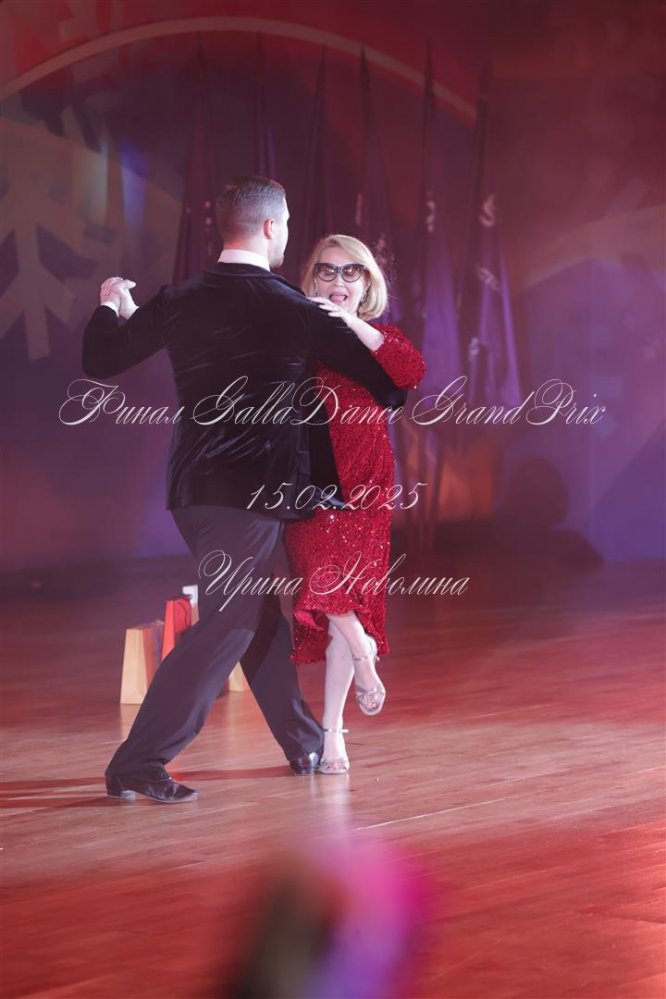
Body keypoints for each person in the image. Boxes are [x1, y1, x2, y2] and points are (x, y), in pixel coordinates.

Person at [82, 177, 406, 803]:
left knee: (253, 614)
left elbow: (101, 358)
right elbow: (388, 386)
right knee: (230, 621)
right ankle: (138, 762)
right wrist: (350, 325)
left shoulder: (179, 298)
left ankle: (303, 741)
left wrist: (112, 305)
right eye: (286, 225)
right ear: (270, 227)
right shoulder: (296, 308)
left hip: (193, 489)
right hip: (249, 496)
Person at [283, 235, 425, 774]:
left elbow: (410, 372)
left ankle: (332, 733)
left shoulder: (381, 337)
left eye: (351, 272)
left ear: (367, 283)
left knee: (348, 600)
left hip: (367, 481)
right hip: (309, 478)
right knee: (322, 578)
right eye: (327, 271)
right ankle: (366, 655)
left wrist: (351, 325)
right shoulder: (296, 332)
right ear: (311, 278)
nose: (338, 281)